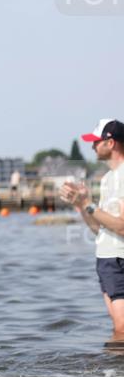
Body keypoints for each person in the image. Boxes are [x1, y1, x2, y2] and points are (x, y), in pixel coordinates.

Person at [60, 119, 124, 346]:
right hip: (107, 260)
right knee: (118, 330)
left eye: (96, 142)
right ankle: (112, 376)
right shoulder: (107, 179)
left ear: (111, 142)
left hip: (119, 259)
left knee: (121, 331)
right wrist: (80, 204)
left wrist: (89, 204)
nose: (92, 147)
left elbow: (122, 227)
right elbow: (99, 228)